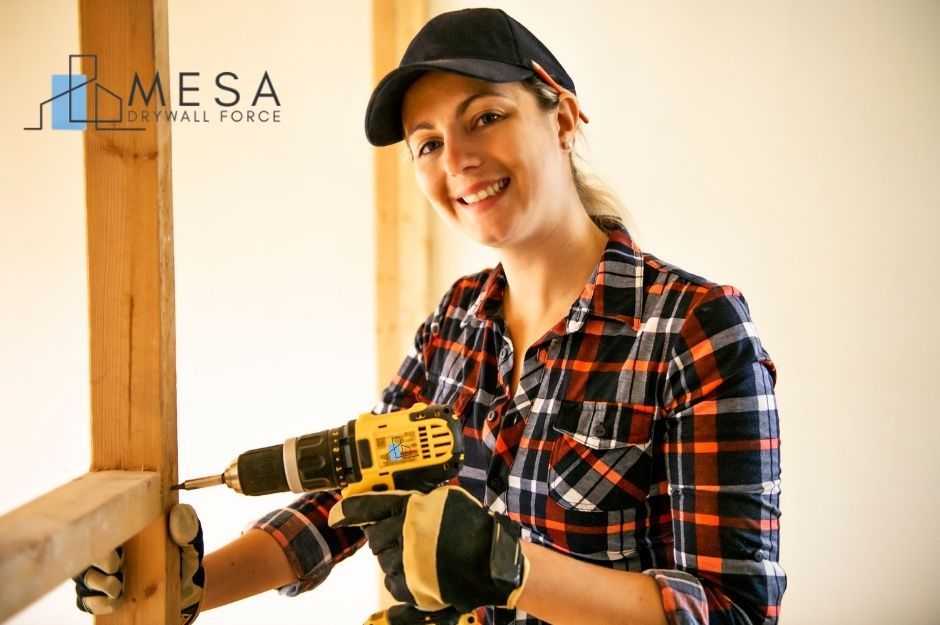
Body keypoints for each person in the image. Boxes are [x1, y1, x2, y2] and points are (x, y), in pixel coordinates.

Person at [74, 8, 786, 625]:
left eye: (486, 117)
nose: (460, 160)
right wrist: (182, 589)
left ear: (562, 116)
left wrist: (510, 566)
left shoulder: (693, 328)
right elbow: (350, 495)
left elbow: (731, 609)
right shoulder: (457, 321)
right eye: (429, 143)